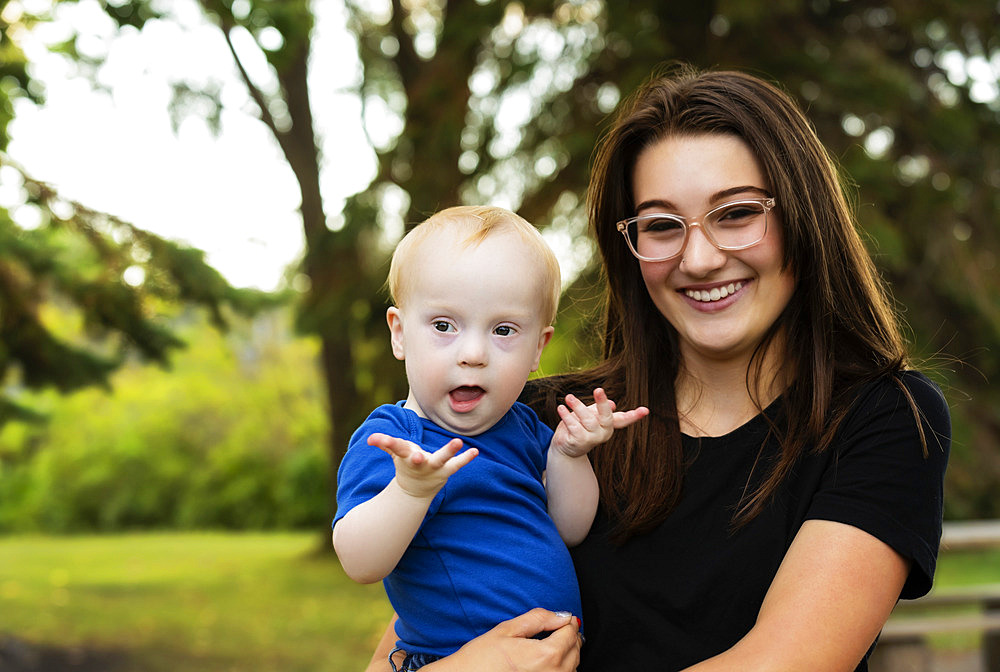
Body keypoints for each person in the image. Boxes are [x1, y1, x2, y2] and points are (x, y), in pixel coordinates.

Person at [361, 64, 952, 672]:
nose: (698, 258)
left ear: (802, 219)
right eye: (663, 226)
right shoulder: (541, 422)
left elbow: (783, 662)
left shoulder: (883, 421)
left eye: (737, 214)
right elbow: (414, 636)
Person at [333, 205, 648, 671]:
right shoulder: (396, 439)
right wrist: (410, 491)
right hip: (453, 658)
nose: (474, 353)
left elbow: (571, 527)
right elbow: (361, 562)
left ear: (538, 348)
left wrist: (568, 453)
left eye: (503, 330)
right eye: (444, 326)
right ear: (399, 334)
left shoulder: (521, 428)